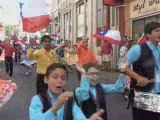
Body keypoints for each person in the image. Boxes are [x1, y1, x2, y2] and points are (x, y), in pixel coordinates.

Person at [29, 63, 104, 120]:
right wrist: (57, 106)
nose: (59, 81)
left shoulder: (70, 100)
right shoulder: (38, 99)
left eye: (63, 78)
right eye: (55, 77)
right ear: (46, 79)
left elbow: (79, 117)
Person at [119, 22, 160, 120]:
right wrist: (138, 77)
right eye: (157, 31)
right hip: (144, 95)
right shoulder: (138, 49)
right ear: (148, 35)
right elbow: (121, 65)